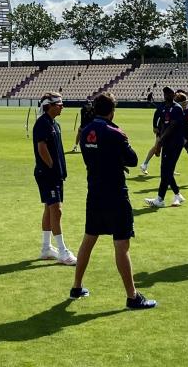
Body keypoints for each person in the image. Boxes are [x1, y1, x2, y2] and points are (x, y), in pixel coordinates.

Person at [69, 93, 156, 310]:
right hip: (116, 194)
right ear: (112, 111)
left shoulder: (86, 131)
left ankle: (76, 287)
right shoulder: (116, 133)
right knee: (121, 244)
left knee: (88, 240)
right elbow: (133, 160)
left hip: (95, 192)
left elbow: (93, 158)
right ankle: (132, 296)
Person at [34, 94, 76, 265]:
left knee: (49, 209)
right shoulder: (43, 123)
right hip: (48, 174)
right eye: (59, 104)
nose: (62, 106)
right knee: (56, 210)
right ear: (49, 106)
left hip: (54, 174)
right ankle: (62, 251)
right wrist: (51, 167)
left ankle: (46, 248)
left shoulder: (54, 123)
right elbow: (41, 147)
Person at [145, 87, 185, 208]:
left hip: (175, 143)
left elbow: (172, 126)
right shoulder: (163, 108)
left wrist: (160, 142)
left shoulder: (177, 108)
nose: (167, 95)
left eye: (169, 93)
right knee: (166, 170)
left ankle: (160, 199)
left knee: (166, 170)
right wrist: (159, 141)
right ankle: (177, 195)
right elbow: (162, 125)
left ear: (173, 94)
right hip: (167, 142)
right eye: (165, 93)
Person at [138, 89, 168, 174]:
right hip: (162, 129)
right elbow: (156, 115)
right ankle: (144, 164)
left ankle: (169, 168)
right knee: (156, 147)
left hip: (168, 129)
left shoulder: (174, 106)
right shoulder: (163, 105)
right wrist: (154, 126)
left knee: (167, 148)